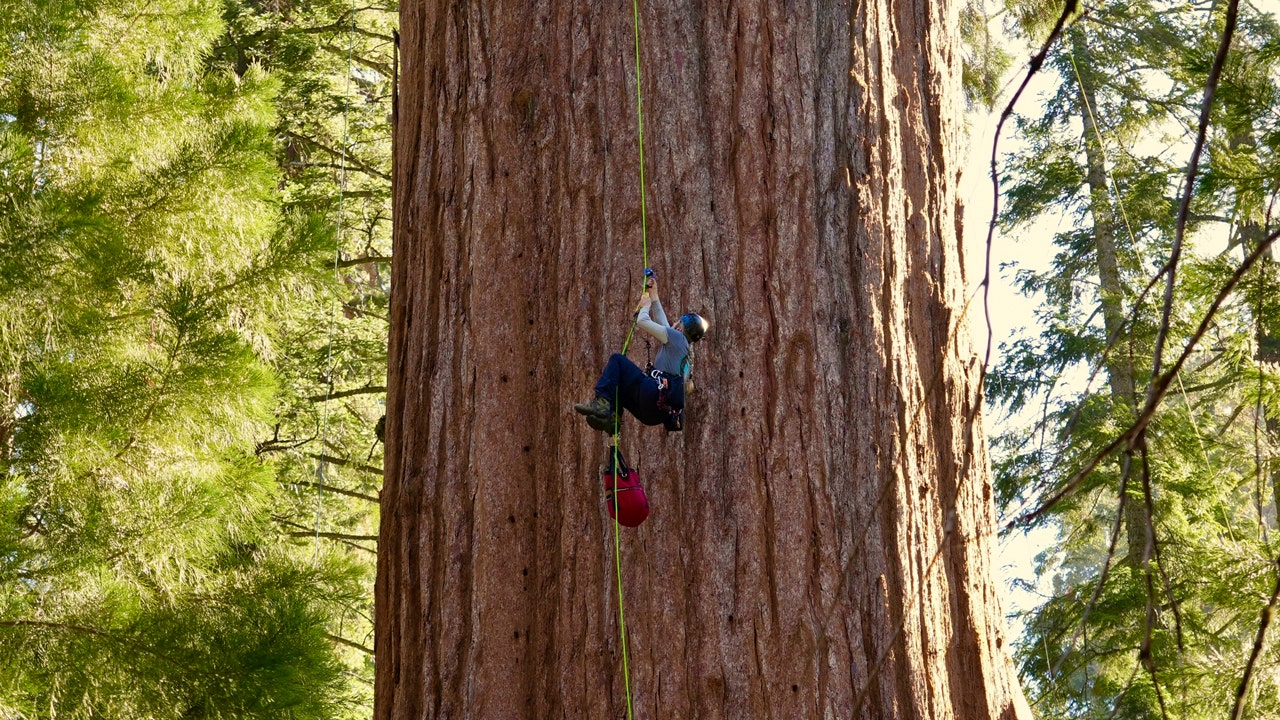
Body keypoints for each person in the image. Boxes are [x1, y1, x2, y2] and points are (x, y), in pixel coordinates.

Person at [575, 276, 708, 433]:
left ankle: (601, 404)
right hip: (654, 414)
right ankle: (612, 418)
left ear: (681, 328)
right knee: (619, 385)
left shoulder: (677, 338)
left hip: (652, 394)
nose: (675, 323)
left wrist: (645, 305)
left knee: (617, 361)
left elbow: (642, 321)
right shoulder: (683, 351)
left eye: (678, 322)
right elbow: (663, 324)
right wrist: (654, 295)